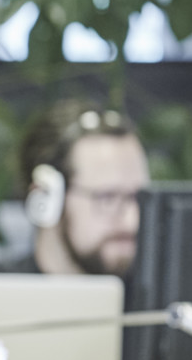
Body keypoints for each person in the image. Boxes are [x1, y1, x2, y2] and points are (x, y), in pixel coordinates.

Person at [12, 100, 150, 277]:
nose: (132, 220)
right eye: (107, 198)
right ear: (45, 198)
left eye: (137, 197)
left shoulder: (167, 298)